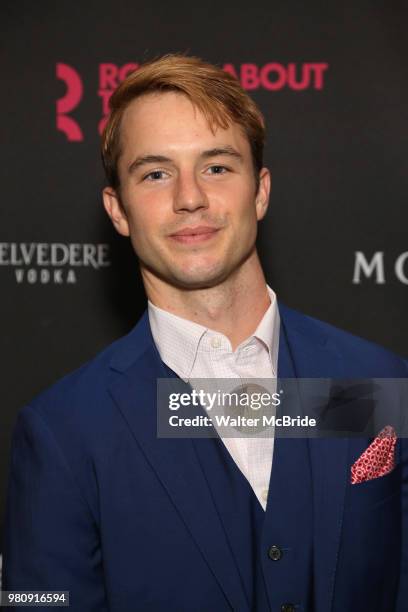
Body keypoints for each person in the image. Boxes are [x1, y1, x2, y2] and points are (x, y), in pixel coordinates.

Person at [3, 54, 407, 612]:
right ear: (117, 210)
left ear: (260, 192)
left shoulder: (378, 383)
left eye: (216, 167)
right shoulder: (65, 432)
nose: (189, 197)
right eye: (155, 173)